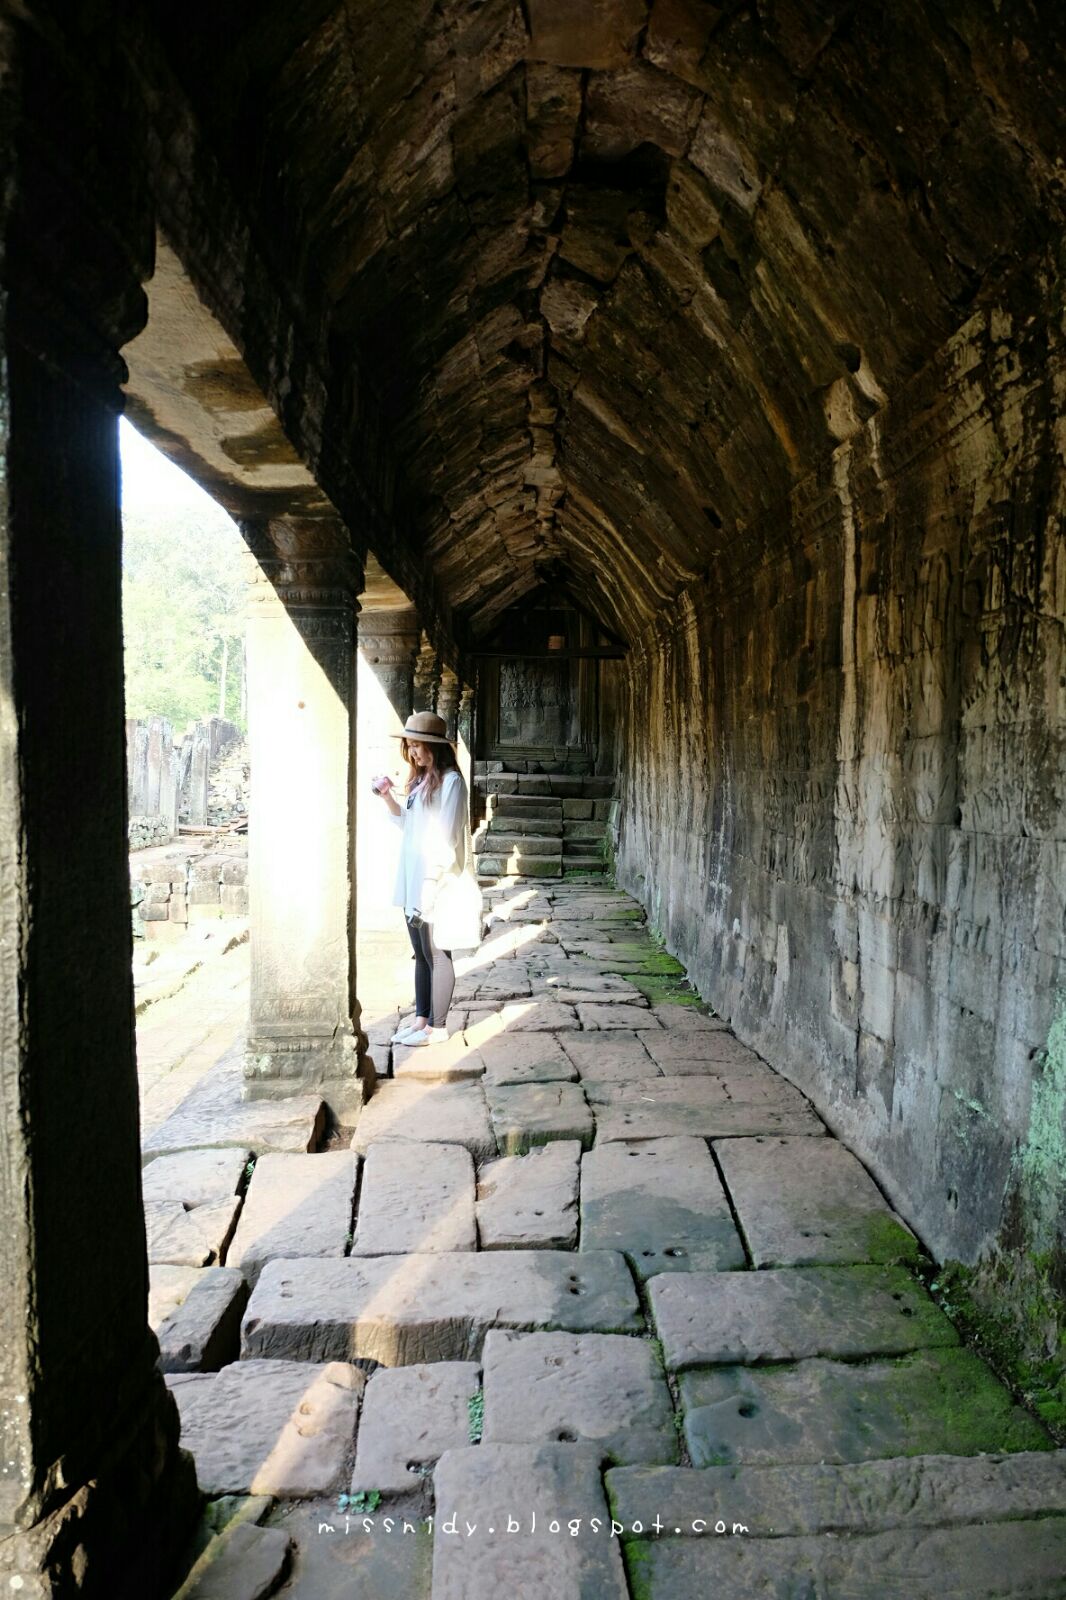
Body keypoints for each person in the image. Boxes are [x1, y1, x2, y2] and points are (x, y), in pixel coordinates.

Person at [371, 710, 470, 1046]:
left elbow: (448, 837)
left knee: (438, 951)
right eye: (409, 746)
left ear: (434, 747)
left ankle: (438, 1029)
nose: (412, 752)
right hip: (413, 876)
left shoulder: (452, 782)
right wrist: (388, 798)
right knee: (420, 952)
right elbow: (407, 826)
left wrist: (431, 883)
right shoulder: (419, 783)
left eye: (417, 746)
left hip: (435, 880)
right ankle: (421, 1019)